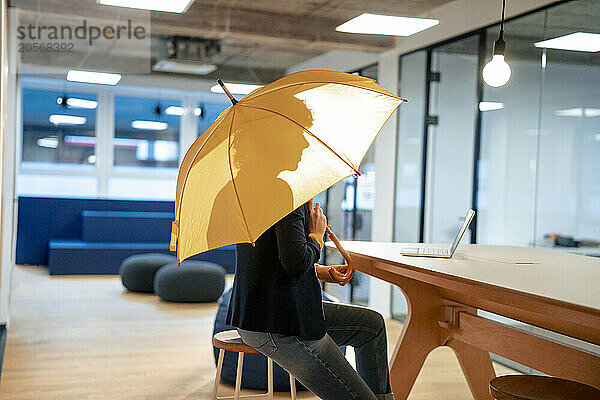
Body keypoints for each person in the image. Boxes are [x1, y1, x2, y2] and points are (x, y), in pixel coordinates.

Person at [227, 199, 395, 400]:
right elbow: (295, 263)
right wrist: (317, 235)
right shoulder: (287, 199)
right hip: (277, 325)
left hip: (258, 315)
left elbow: (271, 260)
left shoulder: (258, 196)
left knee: (371, 326)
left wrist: (322, 272)